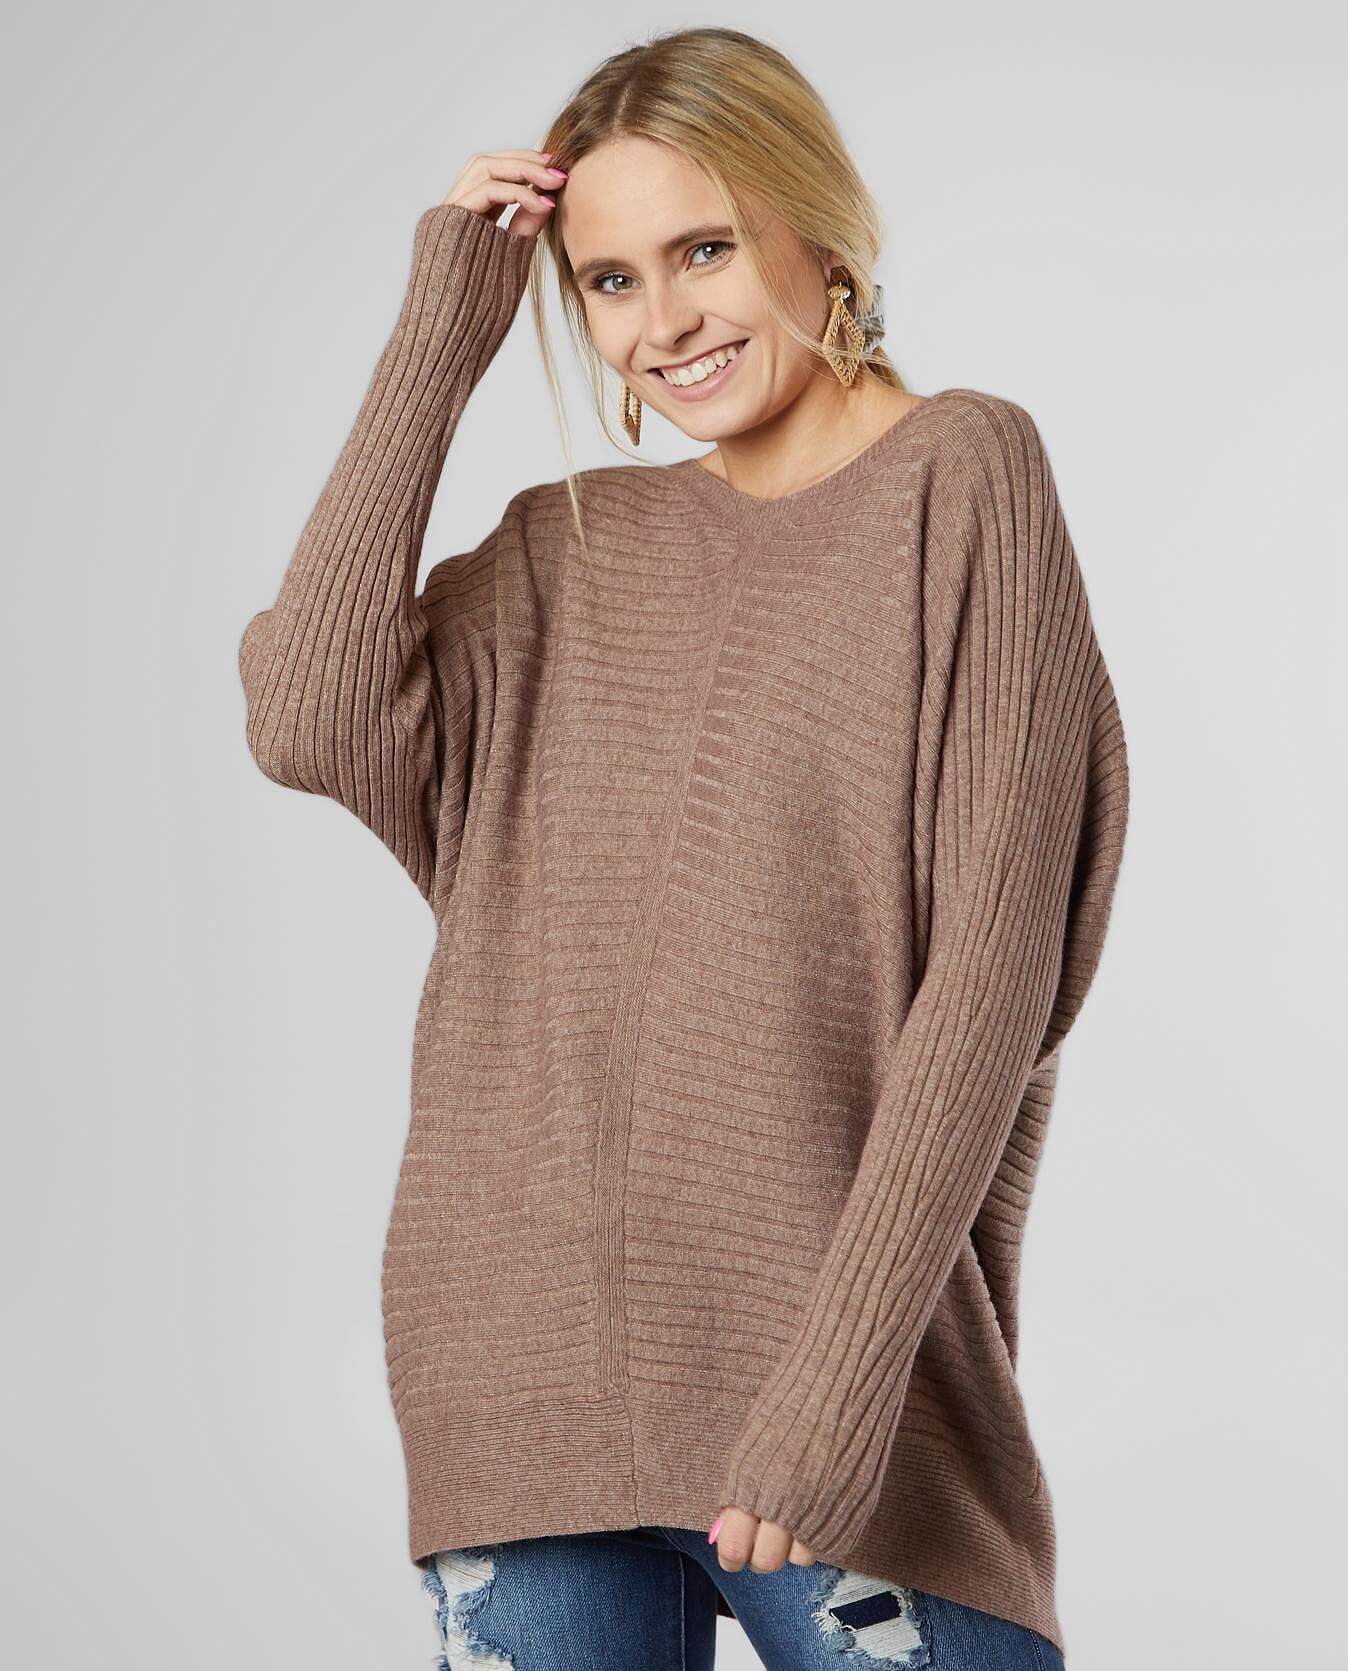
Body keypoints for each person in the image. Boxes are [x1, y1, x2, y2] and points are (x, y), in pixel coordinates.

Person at [237, 25, 1129, 1671]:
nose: (664, 323)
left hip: (830, 1408)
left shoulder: (961, 475)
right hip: (519, 1382)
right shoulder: (566, 547)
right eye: (608, 281)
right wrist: (440, 333)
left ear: (820, 231)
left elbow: (985, 987)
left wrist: (833, 1393)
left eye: (704, 250)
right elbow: (306, 714)